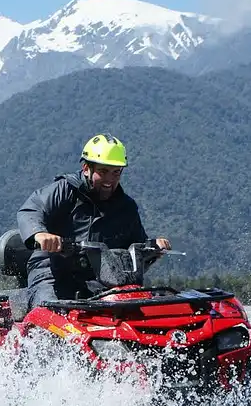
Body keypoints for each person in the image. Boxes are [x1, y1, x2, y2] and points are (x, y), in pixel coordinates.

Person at [16, 133, 172, 310]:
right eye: (103, 171)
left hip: (100, 280)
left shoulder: (126, 207)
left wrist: (152, 249)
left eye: (116, 172)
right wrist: (40, 233)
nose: (109, 180)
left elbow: (135, 250)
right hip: (51, 272)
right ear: (86, 168)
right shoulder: (65, 190)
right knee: (51, 311)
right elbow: (31, 209)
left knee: (138, 312)